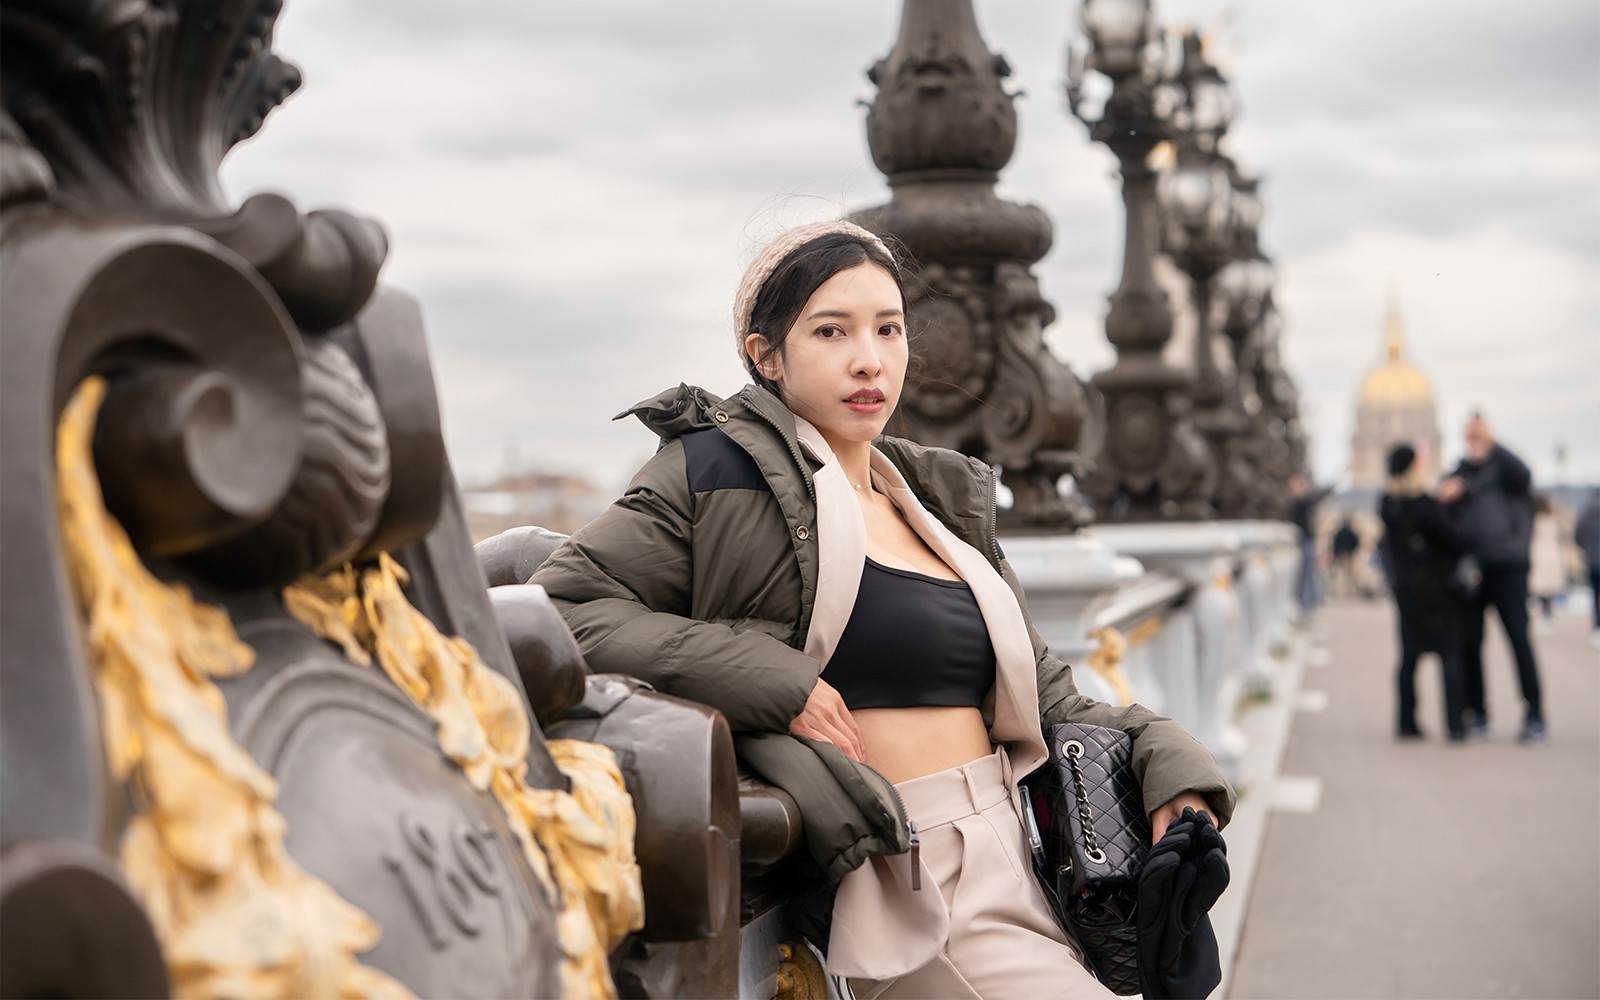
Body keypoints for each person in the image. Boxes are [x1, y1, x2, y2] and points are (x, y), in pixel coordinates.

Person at [530, 220, 1234, 998]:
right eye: (831, 330)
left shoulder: (937, 502)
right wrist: (779, 683)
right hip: (906, 871)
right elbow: (565, 608)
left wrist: (1173, 766)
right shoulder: (712, 468)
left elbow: (1049, 700)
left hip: (1024, 854)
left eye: (888, 329)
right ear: (765, 355)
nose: (869, 358)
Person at [1440, 413, 1545, 743]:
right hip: (1473, 568)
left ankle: (1535, 713)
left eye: (1479, 434)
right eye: (1470, 435)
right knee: (1471, 643)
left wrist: (1493, 443)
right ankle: (1478, 713)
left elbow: (1526, 474)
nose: (1474, 440)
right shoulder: (1457, 475)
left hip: (1508, 566)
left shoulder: (1506, 470)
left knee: (1518, 639)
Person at [1379, 444, 1471, 741]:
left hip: (1406, 589)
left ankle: (1406, 722)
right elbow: (1456, 540)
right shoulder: (1424, 505)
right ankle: (1455, 724)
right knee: (1449, 655)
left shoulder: (1387, 505)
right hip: (1436, 589)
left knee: (1409, 658)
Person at [1288, 474, 1332, 616]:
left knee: (1308, 574)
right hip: (1303, 542)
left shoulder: (1299, 503)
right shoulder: (1298, 503)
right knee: (1305, 575)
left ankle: (1308, 604)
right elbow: (1314, 497)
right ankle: (1305, 605)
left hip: (1305, 541)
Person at [1527, 495, 1565, 634]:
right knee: (1548, 589)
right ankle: (1548, 616)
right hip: (1552, 554)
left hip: (1538, 553)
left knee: (1540, 587)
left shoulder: (1535, 519)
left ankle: (1545, 616)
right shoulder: (1553, 519)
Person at [1576, 489, 1600, 645]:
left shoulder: (1587, 511)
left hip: (1593, 559)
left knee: (1596, 593)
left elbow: (1577, 534)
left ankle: (1597, 626)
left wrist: (1587, 549)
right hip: (1593, 557)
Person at [1330, 518, 1361, 598]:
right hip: (1348, 554)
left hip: (1344, 554)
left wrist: (1336, 554)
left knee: (1345, 573)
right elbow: (1356, 541)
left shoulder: (1341, 533)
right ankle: (1348, 591)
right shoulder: (1349, 532)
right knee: (1348, 573)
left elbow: (1335, 544)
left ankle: (1347, 591)